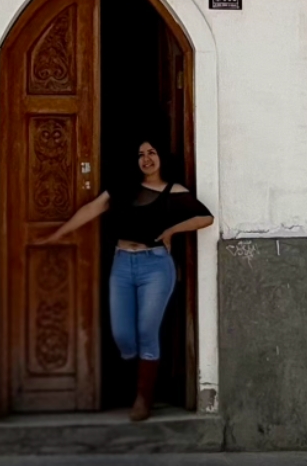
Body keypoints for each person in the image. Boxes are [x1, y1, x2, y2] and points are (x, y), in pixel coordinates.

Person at [39, 139, 213, 420]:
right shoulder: (123, 187)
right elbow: (91, 209)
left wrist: (171, 231)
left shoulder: (174, 191)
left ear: (161, 157)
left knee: (147, 331)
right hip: (121, 264)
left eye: (152, 152)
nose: (146, 158)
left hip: (156, 267)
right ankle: (130, 385)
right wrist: (57, 235)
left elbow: (205, 218)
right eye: (141, 154)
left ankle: (143, 398)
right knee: (122, 335)